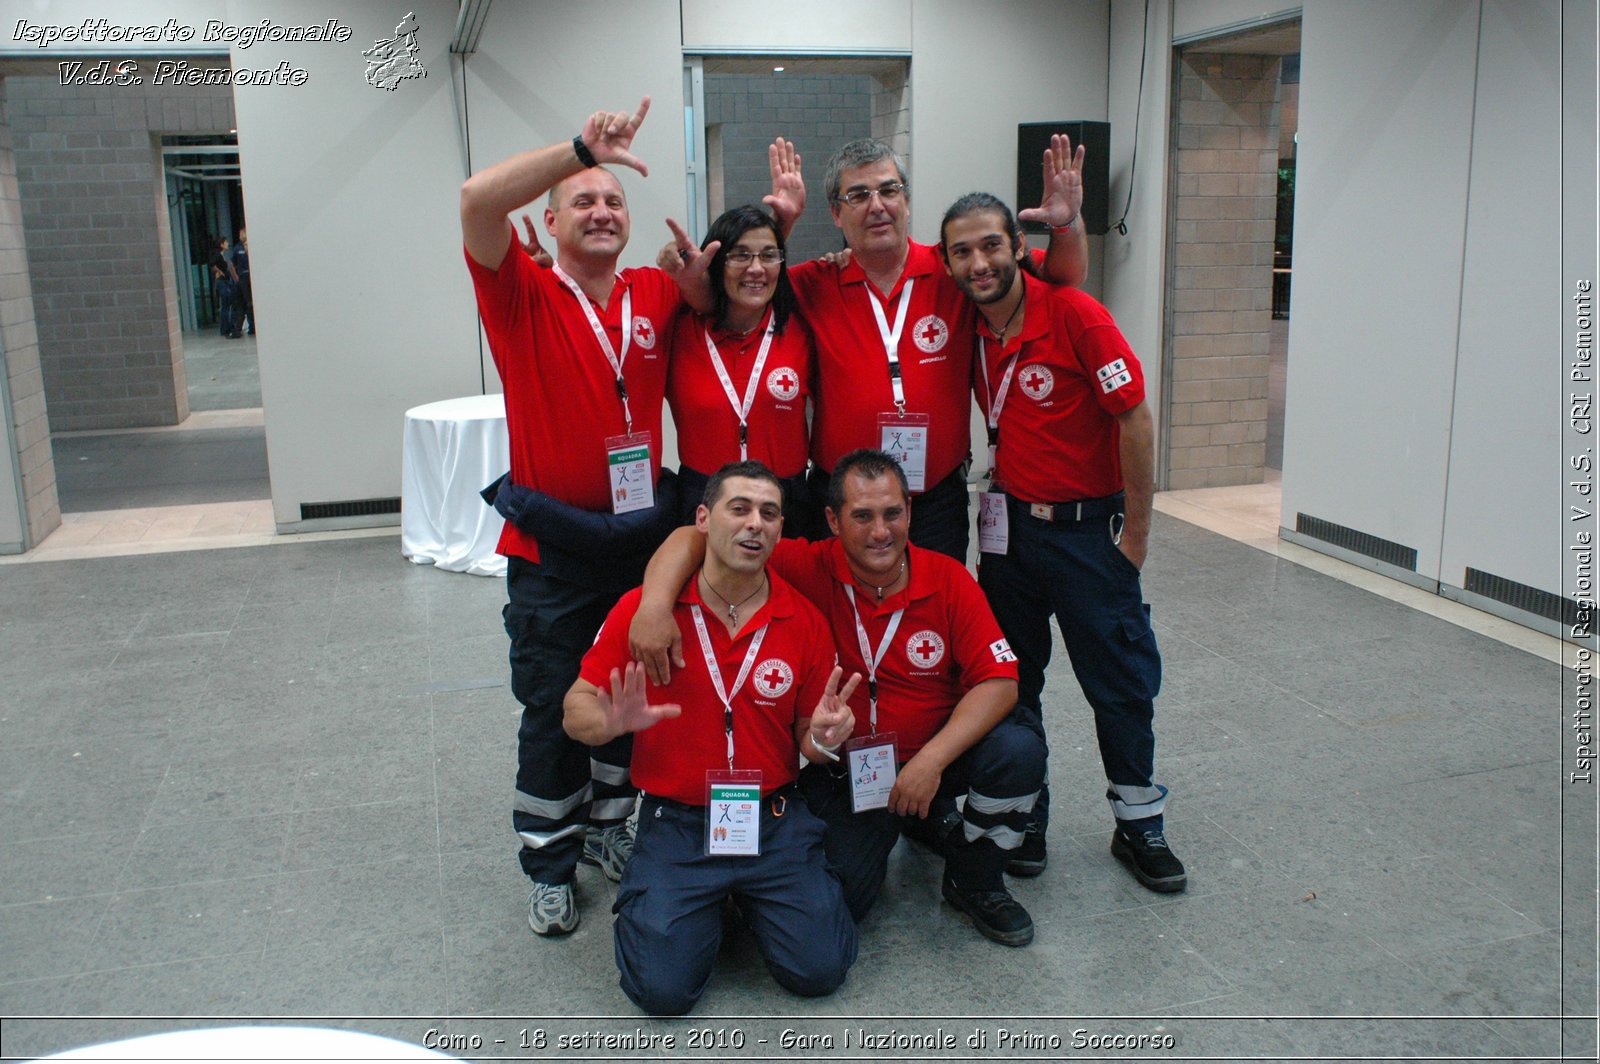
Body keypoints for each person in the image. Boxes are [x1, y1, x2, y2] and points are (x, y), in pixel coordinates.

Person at [460, 96, 707, 935]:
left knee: (632, 688)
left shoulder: (653, 292)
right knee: (553, 706)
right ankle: (549, 857)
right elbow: (474, 202)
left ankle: (610, 828)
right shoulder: (519, 293)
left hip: (638, 542)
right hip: (555, 546)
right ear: (551, 216)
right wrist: (577, 149)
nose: (602, 212)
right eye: (584, 200)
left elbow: (716, 304)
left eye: (613, 202)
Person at [629, 449, 1044, 946]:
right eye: (862, 516)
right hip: (848, 772)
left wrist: (931, 761)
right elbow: (690, 539)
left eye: (893, 513)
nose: (880, 532)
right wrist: (653, 606)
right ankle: (920, 818)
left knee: (1018, 748)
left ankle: (975, 879)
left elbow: (999, 682)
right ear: (832, 520)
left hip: (934, 756)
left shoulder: (949, 579)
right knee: (839, 902)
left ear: (910, 512)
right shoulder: (803, 565)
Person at [939, 191, 1184, 893]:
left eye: (992, 244)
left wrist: (1135, 535)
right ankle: (1027, 812)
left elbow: (1134, 418)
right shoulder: (971, 322)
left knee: (1120, 684)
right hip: (1010, 534)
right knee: (1014, 682)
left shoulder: (1075, 313)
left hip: (1087, 535)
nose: (978, 261)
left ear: (1019, 246)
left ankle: (1139, 821)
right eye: (962, 250)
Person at [564, 461, 860, 1014]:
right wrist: (607, 725)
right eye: (739, 508)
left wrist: (823, 740)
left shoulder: (803, 621)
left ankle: (741, 901)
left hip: (772, 819)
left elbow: (806, 742)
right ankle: (698, 906)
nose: (755, 524)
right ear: (703, 518)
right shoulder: (646, 612)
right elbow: (573, 710)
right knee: (662, 992)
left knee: (820, 970)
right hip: (676, 822)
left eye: (769, 514)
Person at [765, 135, 1089, 562]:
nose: (877, 205)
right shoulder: (813, 282)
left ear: (907, 201)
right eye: (858, 195)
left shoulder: (956, 267)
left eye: (888, 190)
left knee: (933, 617)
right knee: (843, 619)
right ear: (836, 214)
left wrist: (1066, 224)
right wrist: (781, 225)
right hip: (844, 500)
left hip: (935, 498)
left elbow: (1065, 275)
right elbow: (736, 292)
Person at [665, 205, 816, 534]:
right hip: (704, 498)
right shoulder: (677, 328)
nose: (756, 269)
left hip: (787, 500)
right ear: (716, 263)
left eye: (768, 255)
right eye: (741, 255)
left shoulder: (802, 327)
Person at [208, 237, 240, 339]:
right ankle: (226, 328)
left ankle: (226, 328)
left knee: (226, 304)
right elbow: (212, 264)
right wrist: (219, 271)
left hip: (224, 281)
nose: (227, 244)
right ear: (221, 244)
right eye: (226, 242)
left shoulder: (221, 255)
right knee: (227, 303)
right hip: (222, 281)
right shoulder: (218, 254)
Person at [231, 228, 254, 336]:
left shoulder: (252, 245)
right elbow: (232, 264)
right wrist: (236, 276)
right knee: (246, 302)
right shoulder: (238, 248)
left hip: (251, 276)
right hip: (243, 277)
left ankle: (252, 326)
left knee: (251, 303)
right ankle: (246, 327)